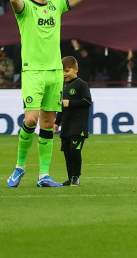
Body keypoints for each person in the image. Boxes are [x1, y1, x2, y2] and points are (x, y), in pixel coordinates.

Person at [5, 0, 107, 188]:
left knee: (48, 123)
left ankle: (43, 176)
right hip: (33, 71)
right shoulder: (25, 9)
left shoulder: (57, 5)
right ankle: (19, 167)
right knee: (30, 120)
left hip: (54, 73)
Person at [55, 56, 92, 186]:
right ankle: (70, 177)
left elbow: (87, 101)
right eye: (62, 71)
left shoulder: (81, 84)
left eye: (67, 70)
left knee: (75, 151)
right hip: (66, 126)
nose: (64, 74)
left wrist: (70, 103)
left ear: (76, 69)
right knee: (67, 152)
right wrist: (56, 122)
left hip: (78, 126)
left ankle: (76, 177)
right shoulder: (62, 86)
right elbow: (61, 107)